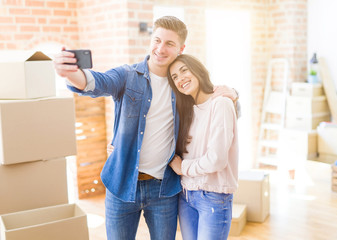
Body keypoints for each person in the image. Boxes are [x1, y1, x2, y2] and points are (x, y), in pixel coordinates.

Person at [54, 16, 238, 240]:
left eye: (169, 44)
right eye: (157, 40)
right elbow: (95, 82)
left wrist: (234, 95)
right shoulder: (127, 76)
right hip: (122, 184)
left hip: (164, 190)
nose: (161, 48)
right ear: (151, 39)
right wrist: (70, 73)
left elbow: (212, 105)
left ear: (181, 48)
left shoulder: (181, 86)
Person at [167, 54, 239, 240]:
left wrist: (182, 167)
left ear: (198, 70)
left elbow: (216, 160)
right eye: (174, 77)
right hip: (185, 195)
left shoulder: (221, 103)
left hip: (213, 196)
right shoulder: (186, 111)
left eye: (184, 71)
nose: (180, 78)